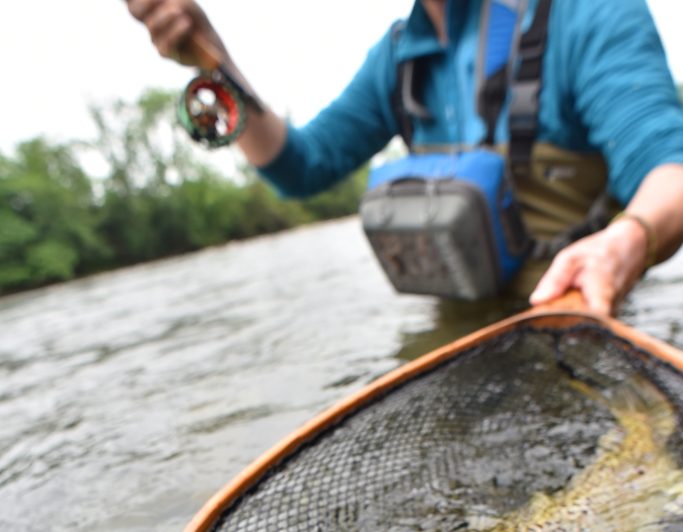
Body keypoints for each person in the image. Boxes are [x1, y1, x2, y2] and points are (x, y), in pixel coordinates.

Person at [126, 0, 683, 314]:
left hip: (576, 324)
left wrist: (627, 239)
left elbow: (672, 171)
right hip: (457, 336)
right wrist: (212, 61)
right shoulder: (395, 58)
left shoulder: (589, 15)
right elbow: (299, 168)